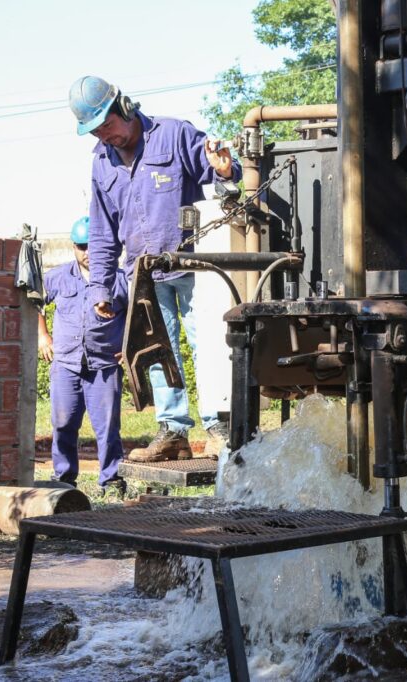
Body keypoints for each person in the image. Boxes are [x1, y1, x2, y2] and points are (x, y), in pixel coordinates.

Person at [68, 75, 240, 462]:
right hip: (142, 273)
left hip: (195, 267)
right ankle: (173, 431)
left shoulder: (174, 135)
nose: (103, 137)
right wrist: (100, 288)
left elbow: (222, 174)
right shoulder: (100, 162)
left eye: (106, 126)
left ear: (124, 108)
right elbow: (101, 232)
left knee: (208, 345)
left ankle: (218, 427)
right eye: (94, 131)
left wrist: (226, 170)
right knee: (155, 349)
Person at [38, 217, 128, 494]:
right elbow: (34, 303)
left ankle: (111, 480)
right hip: (66, 363)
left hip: (104, 365)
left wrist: (130, 347)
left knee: (107, 427)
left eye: (94, 246)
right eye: (82, 246)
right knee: (63, 423)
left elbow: (141, 316)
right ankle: (63, 480)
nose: (88, 252)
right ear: (74, 247)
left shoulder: (121, 280)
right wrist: (43, 336)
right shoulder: (58, 277)